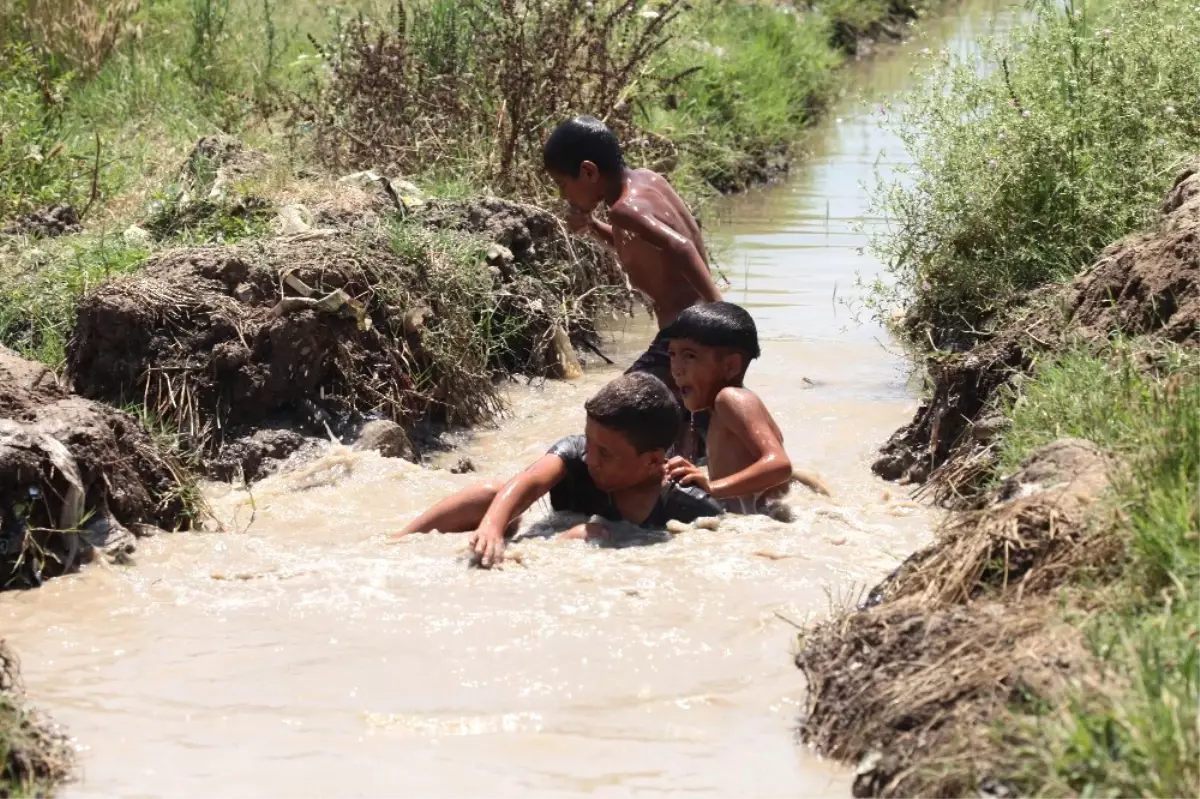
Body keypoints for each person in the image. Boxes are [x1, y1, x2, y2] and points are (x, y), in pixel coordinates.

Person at [393, 372, 722, 566]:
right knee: (493, 494)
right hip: (547, 534)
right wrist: (492, 526)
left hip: (577, 560)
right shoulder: (578, 453)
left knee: (592, 534)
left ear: (652, 461)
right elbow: (529, 482)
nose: (590, 458)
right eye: (589, 442)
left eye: (605, 454)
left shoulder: (687, 504)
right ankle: (397, 542)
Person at [542, 115, 723, 395]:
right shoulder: (648, 181)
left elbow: (681, 247)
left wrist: (723, 316)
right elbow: (647, 246)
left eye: (562, 184)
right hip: (698, 333)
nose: (563, 194)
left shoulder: (623, 210)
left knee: (614, 410)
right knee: (692, 423)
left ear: (589, 172)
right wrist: (591, 226)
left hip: (686, 337)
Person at [660, 302, 795, 515]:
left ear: (730, 366)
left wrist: (712, 488)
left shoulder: (730, 398)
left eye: (690, 356)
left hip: (762, 522)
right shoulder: (714, 409)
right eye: (672, 354)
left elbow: (780, 465)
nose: (676, 368)